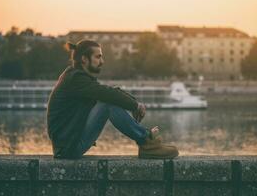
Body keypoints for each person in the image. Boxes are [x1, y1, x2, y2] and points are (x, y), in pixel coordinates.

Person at [46, 39, 179, 159]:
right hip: (68, 148)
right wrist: (135, 106)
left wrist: (134, 103)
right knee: (107, 105)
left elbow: (109, 91)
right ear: (84, 59)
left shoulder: (75, 77)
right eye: (98, 57)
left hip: (69, 144)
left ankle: (147, 142)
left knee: (108, 100)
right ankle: (147, 142)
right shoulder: (75, 79)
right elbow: (107, 95)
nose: (102, 61)